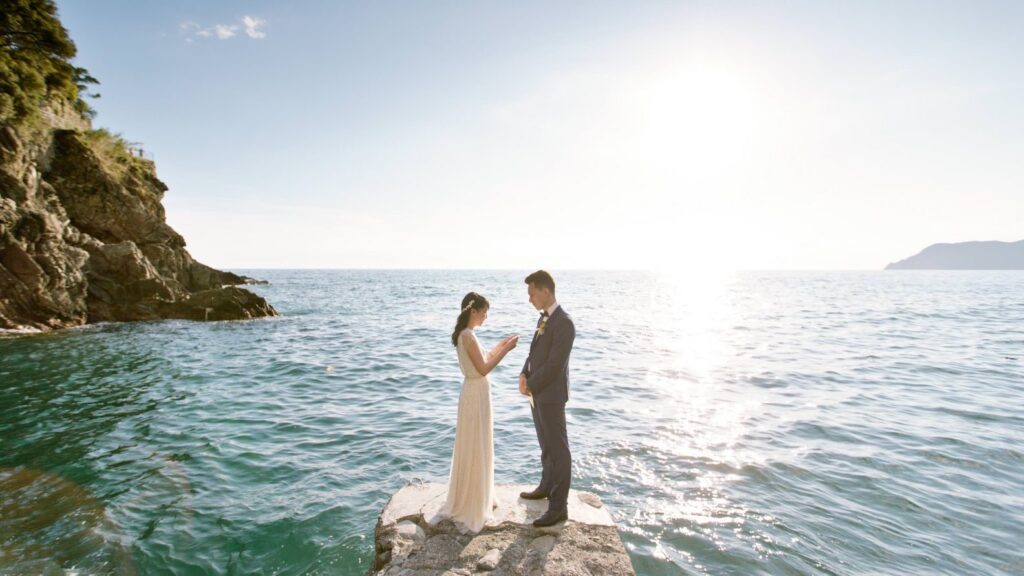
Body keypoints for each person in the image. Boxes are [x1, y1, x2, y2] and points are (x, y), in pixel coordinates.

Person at [440, 292, 519, 533]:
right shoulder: (468, 336)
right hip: (476, 394)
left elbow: (482, 358)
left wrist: (500, 345)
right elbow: (484, 368)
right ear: (473, 311)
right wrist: (506, 352)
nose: (486, 316)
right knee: (477, 443)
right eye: (484, 312)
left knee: (475, 443)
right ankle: (473, 502)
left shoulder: (467, 335)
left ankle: (475, 494)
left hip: (473, 393)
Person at [518, 270, 576, 527]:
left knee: (558, 450)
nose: (530, 299)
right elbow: (535, 352)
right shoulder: (544, 319)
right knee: (545, 445)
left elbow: (554, 365)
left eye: (532, 293)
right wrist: (523, 372)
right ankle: (545, 486)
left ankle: (558, 508)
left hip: (551, 396)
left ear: (545, 291)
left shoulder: (564, 322)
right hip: (538, 393)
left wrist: (531, 384)